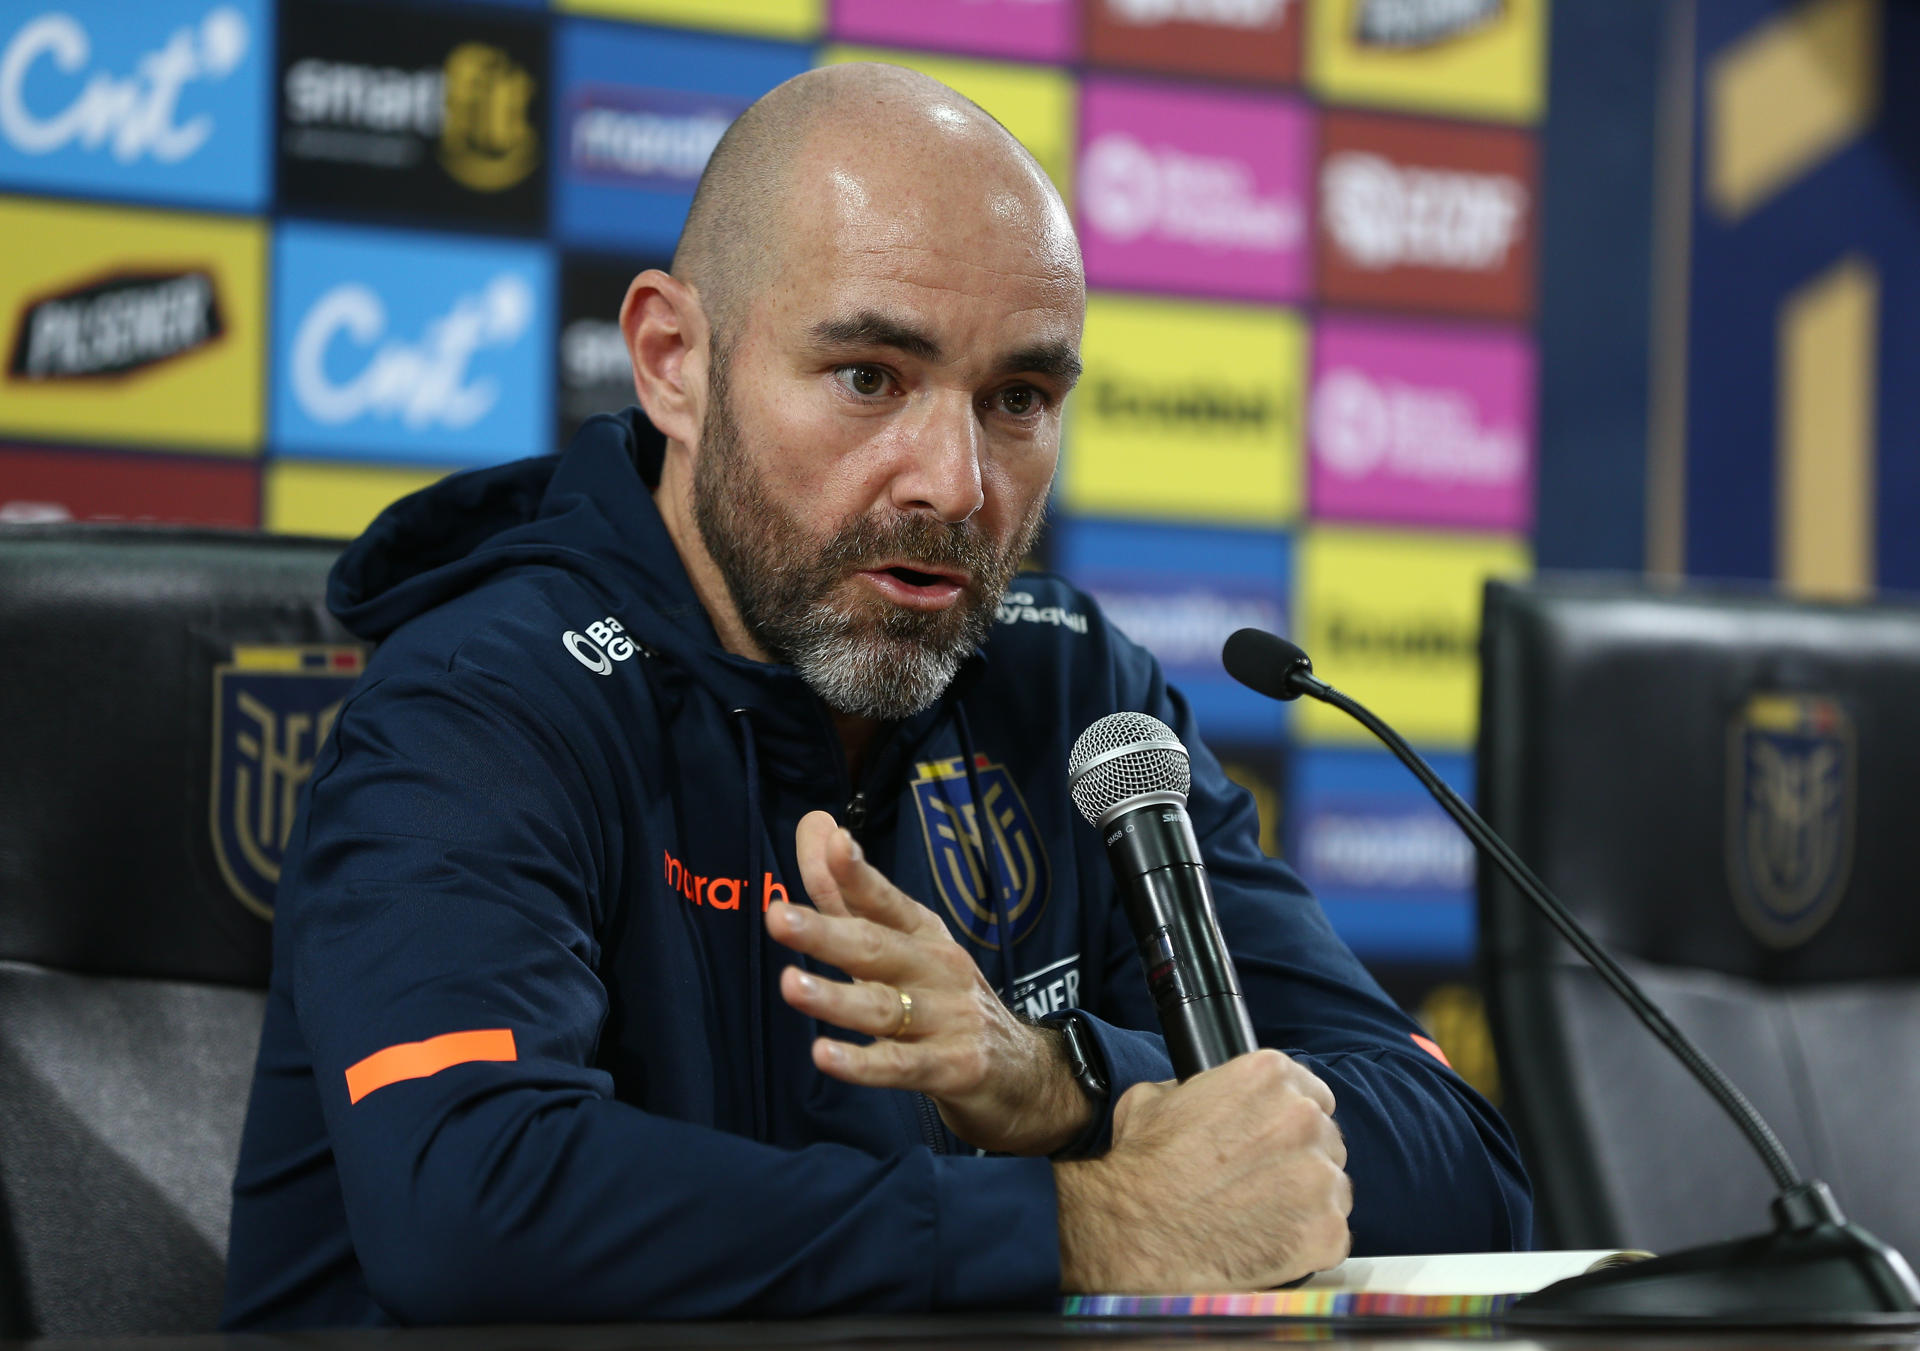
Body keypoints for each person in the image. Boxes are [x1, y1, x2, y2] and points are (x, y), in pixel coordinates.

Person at [222, 63, 1529, 1329]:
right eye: (870, 379)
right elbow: (472, 1202)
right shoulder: (484, 699)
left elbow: (1464, 1171)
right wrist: (1086, 1222)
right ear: (673, 360)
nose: (953, 484)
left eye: (1017, 398)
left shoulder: (1071, 689)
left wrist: (1064, 1086)